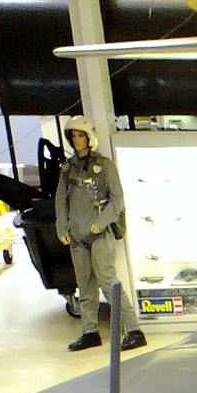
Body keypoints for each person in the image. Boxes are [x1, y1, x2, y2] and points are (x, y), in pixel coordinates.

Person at [54, 115, 144, 353]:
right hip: (77, 234)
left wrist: (102, 222)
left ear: (89, 137)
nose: (77, 140)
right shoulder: (68, 168)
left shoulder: (104, 166)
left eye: (81, 135)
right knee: (85, 285)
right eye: (73, 136)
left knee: (108, 282)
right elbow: (60, 200)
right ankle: (89, 331)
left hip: (98, 233)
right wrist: (62, 227)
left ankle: (134, 330)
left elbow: (117, 199)